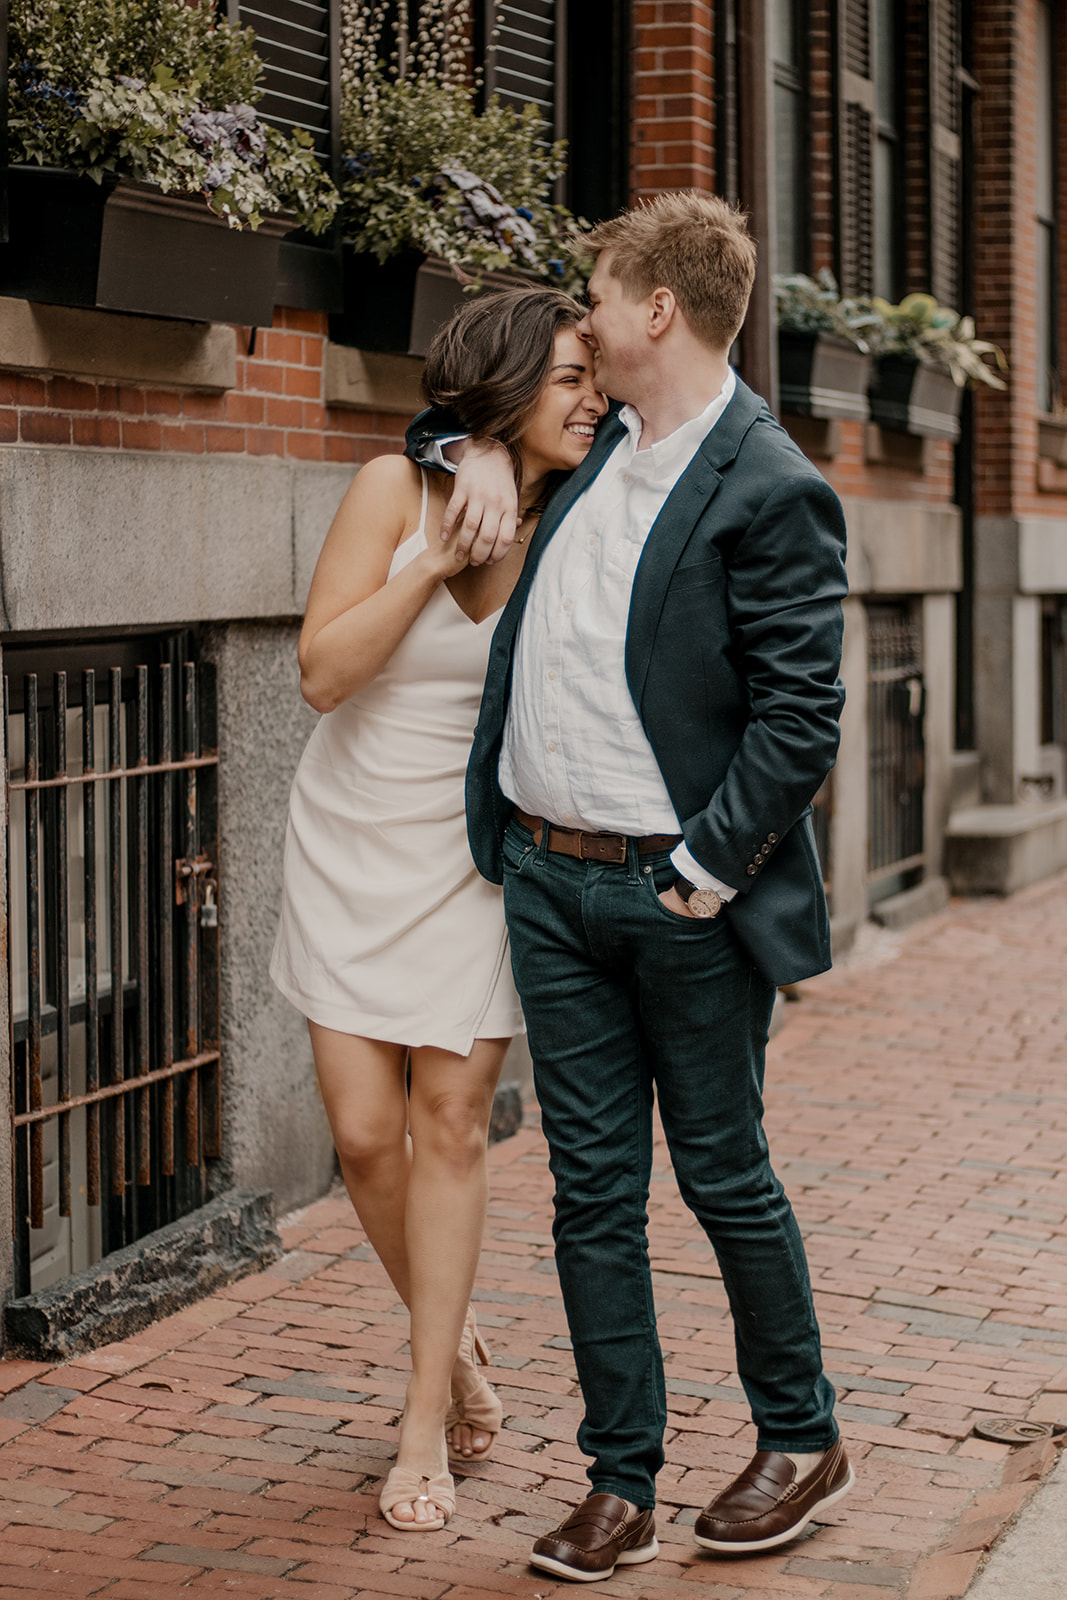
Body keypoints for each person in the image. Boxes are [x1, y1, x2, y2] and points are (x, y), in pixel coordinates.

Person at [407, 191, 853, 1580]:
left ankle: (799, 1434)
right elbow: (444, 407)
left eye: (595, 295)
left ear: (655, 309)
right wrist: (461, 443)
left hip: (681, 900)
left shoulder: (770, 482)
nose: (579, 320)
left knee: (721, 1174)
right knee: (588, 1193)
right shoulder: (593, 444)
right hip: (545, 878)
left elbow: (798, 716)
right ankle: (619, 1481)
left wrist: (705, 874)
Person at [270, 286, 607, 1533]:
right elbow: (318, 675)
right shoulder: (388, 491)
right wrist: (430, 557)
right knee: (364, 1138)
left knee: (450, 1121)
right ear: (507, 381)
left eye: (595, 375)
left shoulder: (578, 509)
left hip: (479, 859)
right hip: (353, 838)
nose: (593, 396)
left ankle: (421, 1423)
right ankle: (450, 1344)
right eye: (569, 376)